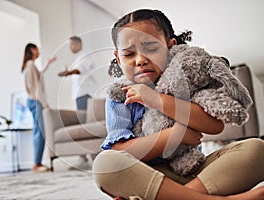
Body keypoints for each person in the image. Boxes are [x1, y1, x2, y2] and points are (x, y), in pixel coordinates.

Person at [92, 9, 264, 200]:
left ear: (170, 46)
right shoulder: (119, 96)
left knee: (256, 149)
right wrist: (174, 135)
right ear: (118, 58)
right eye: (129, 54)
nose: (140, 60)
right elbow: (120, 151)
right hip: (148, 177)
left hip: (195, 173)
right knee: (105, 165)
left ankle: (179, 196)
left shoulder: (186, 82)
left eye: (151, 48)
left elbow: (215, 126)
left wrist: (157, 100)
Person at [58, 36, 97, 170]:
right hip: (80, 95)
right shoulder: (79, 57)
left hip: (84, 94)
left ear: (77, 44)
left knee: (85, 124)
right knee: (83, 123)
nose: (70, 48)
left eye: (71, 45)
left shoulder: (84, 56)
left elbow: (79, 70)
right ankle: (85, 156)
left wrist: (68, 73)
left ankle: (88, 156)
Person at [21, 43, 56, 172]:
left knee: (39, 131)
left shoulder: (30, 66)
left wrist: (48, 64)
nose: (38, 51)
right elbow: (36, 88)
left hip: (33, 101)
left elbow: (39, 76)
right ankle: (37, 163)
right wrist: (44, 103)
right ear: (31, 50)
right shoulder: (30, 66)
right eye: (36, 49)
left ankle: (38, 162)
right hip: (36, 101)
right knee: (40, 132)